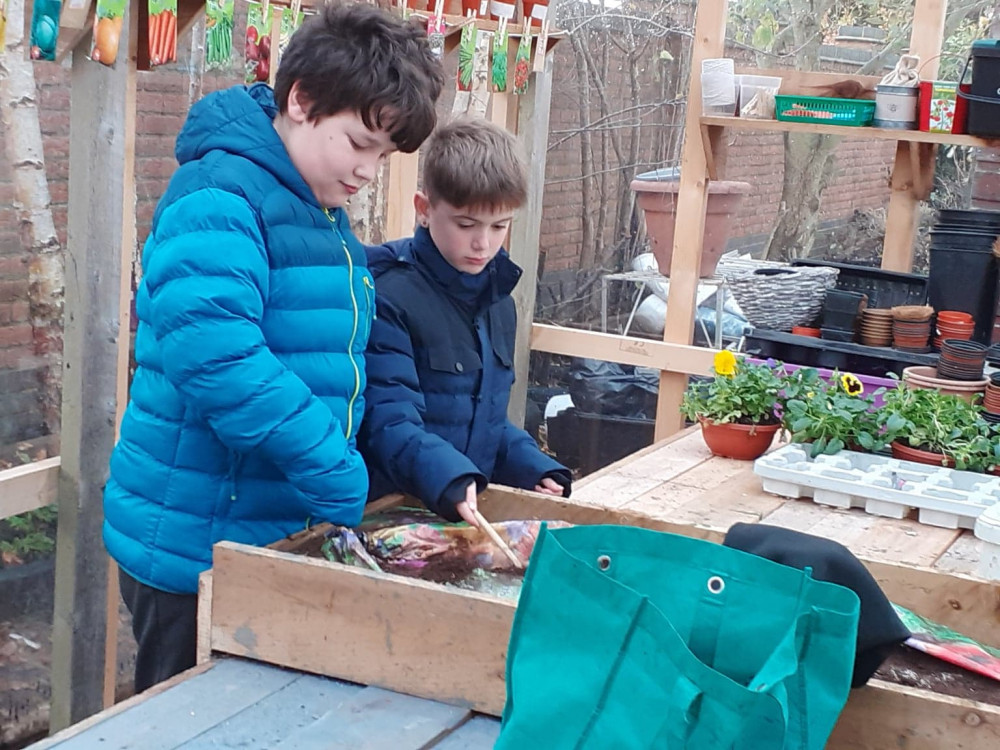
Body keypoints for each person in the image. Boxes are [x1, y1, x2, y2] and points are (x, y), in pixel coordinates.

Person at [103, 3, 443, 692]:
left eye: (383, 154)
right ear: (302, 100)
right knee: (183, 728)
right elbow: (219, 358)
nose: (370, 170)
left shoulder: (311, 208)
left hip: (257, 535)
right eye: (358, 144)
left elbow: (324, 354)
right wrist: (333, 470)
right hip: (196, 546)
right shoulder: (222, 194)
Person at [360, 119, 571, 527]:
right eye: (466, 224)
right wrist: (449, 476)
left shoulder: (499, 303)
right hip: (388, 515)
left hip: (462, 509)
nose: (483, 244)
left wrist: (533, 467)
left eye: (499, 226)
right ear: (424, 210)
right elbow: (386, 420)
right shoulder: (389, 296)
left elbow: (481, 419)